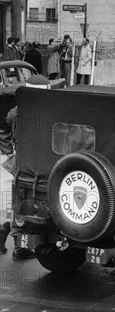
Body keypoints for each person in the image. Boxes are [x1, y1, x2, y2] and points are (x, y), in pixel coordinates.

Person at [0, 75, 51, 259]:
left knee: (19, 199)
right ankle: (18, 245)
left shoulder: (15, 111)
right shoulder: (48, 113)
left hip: (22, 164)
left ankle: (6, 230)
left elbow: (3, 132)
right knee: (28, 202)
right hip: (41, 165)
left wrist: (10, 153)